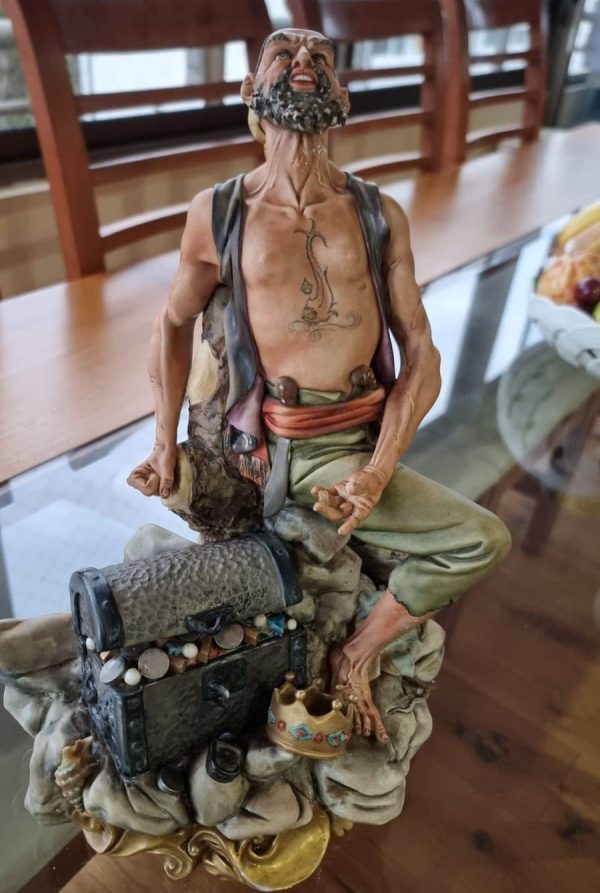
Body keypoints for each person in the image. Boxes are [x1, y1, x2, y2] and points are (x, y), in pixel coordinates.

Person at [128, 28, 511, 744]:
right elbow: (171, 324)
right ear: (252, 90)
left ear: (342, 95)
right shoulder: (220, 213)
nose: (304, 62)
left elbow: (421, 351)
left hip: (365, 434)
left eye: (321, 59)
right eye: (284, 54)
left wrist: (380, 469)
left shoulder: (377, 213)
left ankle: (358, 652)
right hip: (291, 450)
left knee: (482, 539)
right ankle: (351, 648)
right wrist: (161, 444)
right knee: (479, 539)